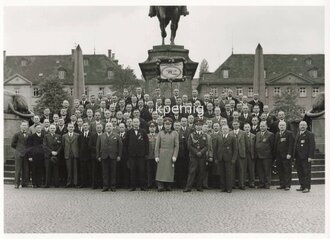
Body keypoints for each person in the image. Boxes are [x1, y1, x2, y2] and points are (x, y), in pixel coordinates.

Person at [183, 119, 209, 192]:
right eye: (197, 125)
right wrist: (196, 152)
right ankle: (188, 187)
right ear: (195, 126)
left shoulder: (204, 135)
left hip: (202, 156)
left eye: (200, 125)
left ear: (201, 126)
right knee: (192, 171)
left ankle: (199, 186)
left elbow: (207, 146)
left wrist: (201, 152)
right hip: (193, 156)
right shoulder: (191, 135)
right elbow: (189, 145)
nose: (198, 126)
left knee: (201, 171)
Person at [124, 118, 149, 191]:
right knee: (132, 171)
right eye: (134, 122)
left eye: (137, 122)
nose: (135, 123)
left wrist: (146, 153)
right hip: (132, 155)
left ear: (139, 123)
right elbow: (126, 144)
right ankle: (133, 186)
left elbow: (146, 143)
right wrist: (128, 154)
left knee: (142, 171)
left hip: (141, 155)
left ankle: (143, 186)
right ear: (132, 123)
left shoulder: (143, 131)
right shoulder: (129, 132)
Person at [96, 122, 123, 192]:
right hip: (104, 156)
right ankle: (105, 186)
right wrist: (98, 156)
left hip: (113, 156)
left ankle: (113, 186)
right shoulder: (101, 136)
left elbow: (120, 146)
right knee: (105, 172)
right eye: (107, 126)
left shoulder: (117, 136)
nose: (108, 127)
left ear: (112, 127)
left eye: (110, 126)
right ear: (105, 128)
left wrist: (119, 155)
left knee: (113, 172)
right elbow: (98, 147)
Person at [154, 118, 179, 191]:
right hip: (162, 154)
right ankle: (160, 185)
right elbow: (157, 145)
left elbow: (176, 146)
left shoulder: (175, 133)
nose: (167, 126)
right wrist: (156, 156)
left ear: (171, 125)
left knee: (169, 170)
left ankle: (168, 185)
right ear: (164, 125)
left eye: (169, 124)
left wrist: (175, 155)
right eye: (166, 124)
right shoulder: (160, 133)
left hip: (170, 153)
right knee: (161, 170)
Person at [214, 124, 237, 193]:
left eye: (226, 129)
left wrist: (233, 158)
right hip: (220, 158)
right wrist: (216, 158)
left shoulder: (232, 137)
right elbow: (215, 148)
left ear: (228, 130)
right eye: (223, 129)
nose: (224, 130)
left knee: (229, 174)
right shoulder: (219, 137)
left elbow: (235, 149)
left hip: (229, 158)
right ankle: (223, 187)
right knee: (222, 173)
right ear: (221, 130)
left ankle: (229, 188)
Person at [293, 121, 315, 193]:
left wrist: (310, 157)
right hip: (298, 157)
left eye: (303, 125)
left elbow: (312, 146)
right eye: (301, 125)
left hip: (306, 157)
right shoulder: (298, 134)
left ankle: (307, 187)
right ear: (299, 126)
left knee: (306, 172)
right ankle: (302, 186)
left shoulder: (310, 134)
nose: (302, 126)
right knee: (300, 172)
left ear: (306, 126)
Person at [274, 121, 294, 191]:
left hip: (286, 155)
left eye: (283, 125)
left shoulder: (289, 133)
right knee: (280, 170)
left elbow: (291, 145)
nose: (281, 126)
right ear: (278, 126)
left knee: (287, 170)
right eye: (280, 125)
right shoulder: (277, 134)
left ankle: (287, 185)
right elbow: (275, 145)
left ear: (285, 126)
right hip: (279, 156)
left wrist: (289, 153)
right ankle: (282, 184)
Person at [254, 121, 274, 189]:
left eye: (263, 126)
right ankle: (261, 183)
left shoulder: (270, 134)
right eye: (261, 126)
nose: (262, 127)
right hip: (258, 156)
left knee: (267, 170)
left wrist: (270, 155)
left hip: (267, 156)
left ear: (266, 126)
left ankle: (267, 183)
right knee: (260, 171)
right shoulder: (257, 134)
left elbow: (272, 146)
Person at [11, 121, 30, 188]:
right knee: (18, 169)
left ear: (27, 127)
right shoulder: (17, 134)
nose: (24, 126)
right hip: (19, 154)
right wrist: (19, 149)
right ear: (20, 126)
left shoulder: (29, 134)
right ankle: (16, 184)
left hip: (26, 154)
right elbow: (13, 144)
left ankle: (24, 183)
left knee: (26, 169)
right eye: (23, 125)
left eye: (25, 125)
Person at [231, 121, 248, 190]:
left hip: (241, 154)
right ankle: (232, 184)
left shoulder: (243, 133)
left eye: (236, 124)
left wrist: (243, 151)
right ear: (232, 125)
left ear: (239, 125)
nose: (235, 125)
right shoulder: (230, 133)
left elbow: (247, 144)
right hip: (233, 155)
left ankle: (242, 184)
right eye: (234, 124)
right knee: (232, 170)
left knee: (241, 170)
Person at [62, 123, 80, 188]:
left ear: (74, 128)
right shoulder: (64, 136)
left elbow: (79, 145)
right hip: (67, 154)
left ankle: (75, 183)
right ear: (67, 128)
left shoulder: (77, 135)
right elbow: (63, 145)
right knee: (68, 169)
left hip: (75, 154)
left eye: (72, 127)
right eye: (69, 127)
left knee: (75, 169)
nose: (71, 128)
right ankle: (69, 183)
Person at [88, 123, 103, 189]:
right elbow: (90, 145)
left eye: (100, 127)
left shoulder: (104, 135)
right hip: (94, 155)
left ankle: (102, 184)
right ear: (96, 128)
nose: (99, 129)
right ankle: (94, 184)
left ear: (102, 128)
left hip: (103, 155)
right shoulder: (93, 136)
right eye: (98, 127)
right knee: (94, 171)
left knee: (102, 170)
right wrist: (97, 149)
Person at [78, 122, 92, 188]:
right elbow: (79, 145)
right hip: (82, 155)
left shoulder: (91, 134)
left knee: (90, 170)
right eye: (84, 125)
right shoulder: (80, 135)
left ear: (89, 126)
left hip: (89, 155)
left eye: (86, 125)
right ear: (83, 127)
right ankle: (83, 183)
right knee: (82, 170)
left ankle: (90, 183)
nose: (85, 127)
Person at [243, 123, 256, 188]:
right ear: (243, 128)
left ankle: (252, 182)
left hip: (251, 155)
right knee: (244, 169)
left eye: (248, 127)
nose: (247, 128)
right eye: (245, 127)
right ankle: (243, 183)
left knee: (251, 169)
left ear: (250, 128)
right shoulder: (241, 135)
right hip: (244, 155)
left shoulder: (253, 136)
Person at [146, 122, 158, 189]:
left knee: (156, 170)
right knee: (149, 170)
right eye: (151, 127)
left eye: (153, 127)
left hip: (156, 156)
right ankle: (149, 183)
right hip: (149, 155)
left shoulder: (158, 135)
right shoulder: (147, 136)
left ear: (155, 128)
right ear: (149, 128)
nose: (152, 128)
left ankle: (156, 183)